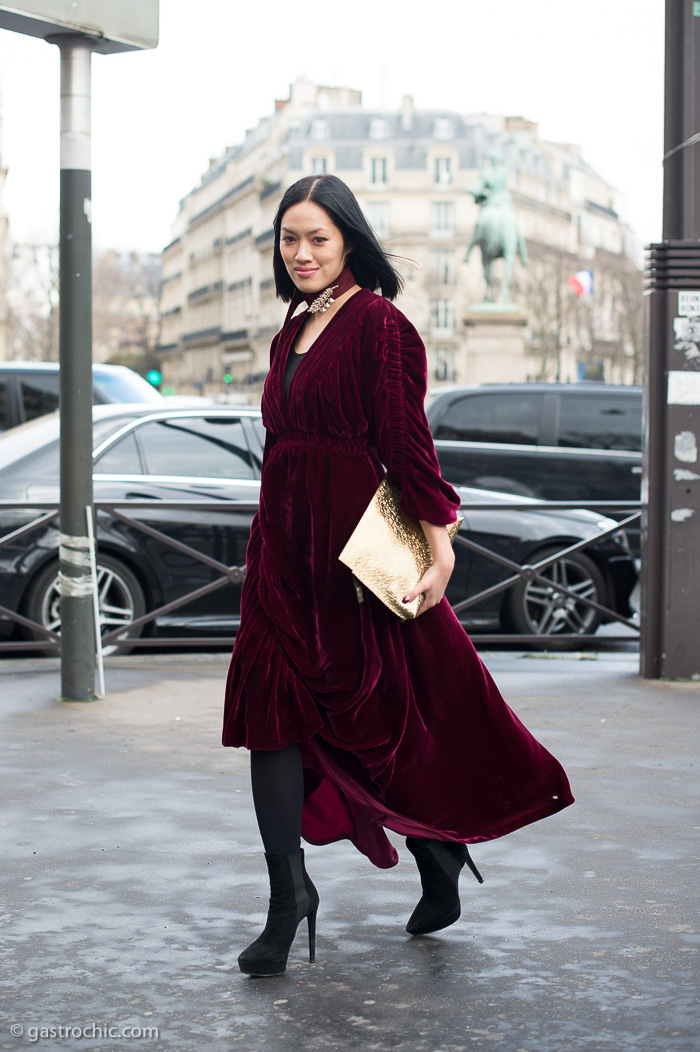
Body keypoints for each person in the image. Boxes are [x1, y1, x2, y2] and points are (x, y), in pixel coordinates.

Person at [222, 174, 574, 977]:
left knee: (377, 720)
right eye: (289, 238)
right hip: (282, 547)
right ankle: (289, 898)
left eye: (317, 237)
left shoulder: (380, 325)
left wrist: (439, 538)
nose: (302, 252)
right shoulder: (293, 326)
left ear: (349, 238)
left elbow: (407, 439)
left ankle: (437, 847)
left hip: (352, 548)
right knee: (269, 713)